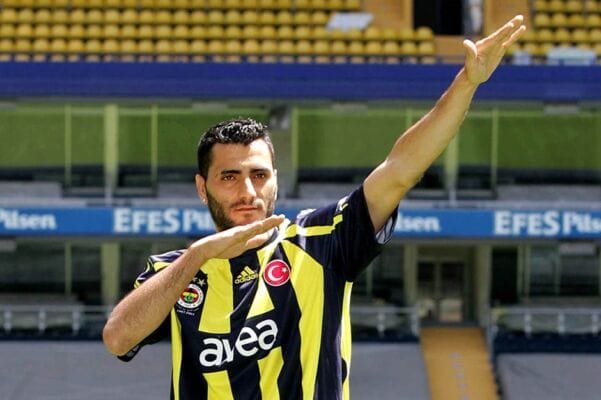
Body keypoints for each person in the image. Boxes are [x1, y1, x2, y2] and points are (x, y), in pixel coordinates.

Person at [103, 15, 526, 400]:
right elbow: (118, 338)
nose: (247, 190)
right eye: (229, 177)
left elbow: (399, 169)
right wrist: (197, 255)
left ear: (275, 180)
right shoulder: (176, 272)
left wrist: (466, 83)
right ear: (203, 187)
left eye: (259, 174)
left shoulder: (322, 242)